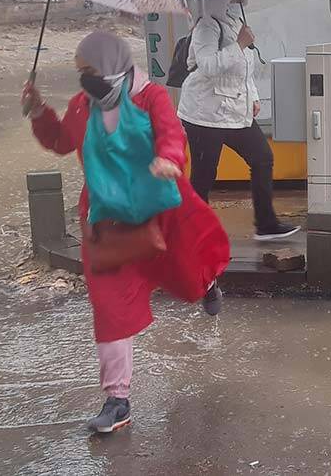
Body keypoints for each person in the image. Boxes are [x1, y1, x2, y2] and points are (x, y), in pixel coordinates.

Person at [23, 31, 230, 434]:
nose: (85, 78)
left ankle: (207, 283)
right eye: (81, 71)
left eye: (90, 69)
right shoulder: (82, 105)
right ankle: (117, 400)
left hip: (160, 208)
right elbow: (62, 141)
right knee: (109, 307)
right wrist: (39, 113)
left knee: (189, 272)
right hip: (107, 220)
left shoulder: (150, 98)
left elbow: (172, 134)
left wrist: (169, 159)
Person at [177, 0, 301, 242]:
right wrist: (239, 44)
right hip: (204, 115)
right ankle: (191, 232)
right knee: (204, 176)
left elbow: (244, 69)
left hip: (235, 112)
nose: (241, 1)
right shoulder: (207, 27)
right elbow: (208, 66)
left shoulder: (236, 25)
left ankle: (266, 224)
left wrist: (253, 96)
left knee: (262, 158)